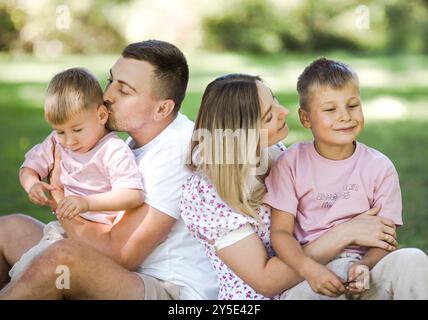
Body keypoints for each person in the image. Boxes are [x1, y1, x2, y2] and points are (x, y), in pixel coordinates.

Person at [0, 40, 218, 300]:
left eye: (124, 91)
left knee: (61, 260)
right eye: (110, 81)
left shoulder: (176, 154)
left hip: (168, 288)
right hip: (122, 270)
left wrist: (58, 195)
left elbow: (119, 254)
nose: (107, 96)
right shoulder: (132, 140)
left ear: (162, 108)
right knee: (8, 229)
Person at [180, 73, 402, 300]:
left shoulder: (276, 152)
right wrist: (345, 234)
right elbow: (265, 282)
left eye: (274, 100)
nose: (284, 111)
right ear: (242, 135)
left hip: (316, 279)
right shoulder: (207, 194)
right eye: (268, 117)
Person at [265, 57, 428, 299]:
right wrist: (309, 270)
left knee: (413, 259)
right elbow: (280, 233)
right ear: (305, 118)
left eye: (352, 106)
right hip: (310, 275)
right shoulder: (291, 163)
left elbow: (385, 239)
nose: (345, 116)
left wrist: (364, 266)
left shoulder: (379, 167)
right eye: (330, 109)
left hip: (366, 271)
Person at [10, 67, 145, 280]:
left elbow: (132, 195)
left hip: (99, 238)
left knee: (37, 276)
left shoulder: (112, 150)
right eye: (60, 131)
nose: (69, 141)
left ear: (101, 115)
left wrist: (85, 203)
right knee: (27, 269)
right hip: (65, 229)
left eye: (77, 130)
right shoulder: (57, 143)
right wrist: (32, 184)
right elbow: (29, 167)